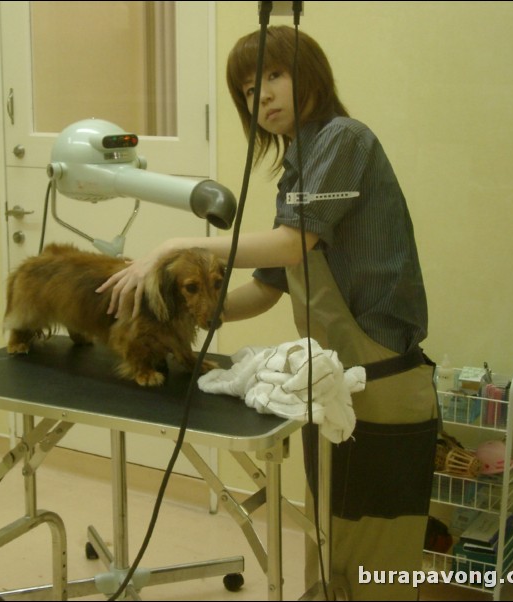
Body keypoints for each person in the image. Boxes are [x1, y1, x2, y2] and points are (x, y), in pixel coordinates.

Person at [98, 25, 438, 600]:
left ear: (311, 73)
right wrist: (186, 311)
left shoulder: (342, 140)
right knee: (328, 546)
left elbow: (288, 245)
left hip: (382, 387)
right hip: (333, 386)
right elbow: (268, 286)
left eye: (274, 77)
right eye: (249, 92)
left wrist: (173, 247)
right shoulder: (302, 168)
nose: (264, 99)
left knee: (371, 562)